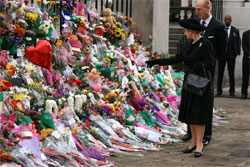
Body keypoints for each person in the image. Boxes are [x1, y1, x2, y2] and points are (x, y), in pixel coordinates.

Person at [146, 18, 214, 158]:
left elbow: (210, 64)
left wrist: (196, 66)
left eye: (185, 31)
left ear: (192, 31)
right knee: (191, 115)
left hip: (201, 85)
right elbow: (176, 59)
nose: (184, 33)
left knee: (199, 115)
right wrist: (156, 62)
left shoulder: (205, 44)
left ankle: (200, 144)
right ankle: (194, 142)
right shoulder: (189, 45)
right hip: (190, 83)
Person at [182, 0, 228, 146]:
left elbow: (222, 50)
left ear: (208, 8)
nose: (197, 12)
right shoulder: (194, 23)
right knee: (190, 99)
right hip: (192, 69)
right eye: (196, 9)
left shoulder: (218, 26)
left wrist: (210, 63)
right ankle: (191, 132)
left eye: (200, 9)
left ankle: (206, 135)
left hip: (206, 71)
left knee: (205, 102)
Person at [216, 15, 241, 97]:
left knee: (231, 73)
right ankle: (219, 91)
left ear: (231, 20)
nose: (227, 20)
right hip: (222, 55)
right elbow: (217, 41)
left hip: (231, 55)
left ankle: (232, 91)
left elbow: (238, 42)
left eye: (229, 19)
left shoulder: (235, 31)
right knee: (220, 73)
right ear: (224, 20)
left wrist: (236, 53)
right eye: (226, 19)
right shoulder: (220, 30)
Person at [241, 30, 250, 99]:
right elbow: (244, 45)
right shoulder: (245, 34)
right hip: (247, 59)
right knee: (245, 77)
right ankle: (244, 93)